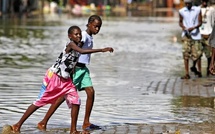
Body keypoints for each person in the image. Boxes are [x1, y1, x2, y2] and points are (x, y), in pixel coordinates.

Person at [11, 25, 114, 134]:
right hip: (55, 76)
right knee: (41, 101)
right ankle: (17, 125)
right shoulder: (71, 45)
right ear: (70, 36)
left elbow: (73, 61)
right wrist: (102, 50)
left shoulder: (78, 45)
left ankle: (73, 130)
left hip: (66, 79)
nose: (79, 36)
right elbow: (82, 51)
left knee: (76, 101)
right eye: (76, 34)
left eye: (79, 34)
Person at [37, 15, 112, 131]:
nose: (97, 29)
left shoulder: (89, 36)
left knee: (91, 92)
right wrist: (101, 50)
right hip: (76, 70)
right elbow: (76, 50)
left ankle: (86, 122)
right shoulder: (82, 36)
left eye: (99, 27)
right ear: (89, 24)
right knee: (62, 97)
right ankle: (44, 121)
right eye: (95, 26)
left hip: (83, 69)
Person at [179, 0, 203, 79]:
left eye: (189, 3)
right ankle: (186, 73)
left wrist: (194, 28)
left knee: (198, 54)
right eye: (186, 3)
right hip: (186, 35)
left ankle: (198, 70)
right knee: (185, 54)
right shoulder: (182, 11)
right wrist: (183, 27)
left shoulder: (197, 10)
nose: (187, 4)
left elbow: (200, 22)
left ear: (192, 3)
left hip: (196, 35)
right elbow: (180, 22)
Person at [191, 0, 215, 77]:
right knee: (198, 54)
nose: (204, 2)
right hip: (199, 34)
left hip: (208, 33)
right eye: (203, 0)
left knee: (209, 55)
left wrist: (212, 34)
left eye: (206, 0)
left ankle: (209, 70)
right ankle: (199, 71)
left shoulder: (211, 10)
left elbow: (213, 21)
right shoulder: (197, 9)